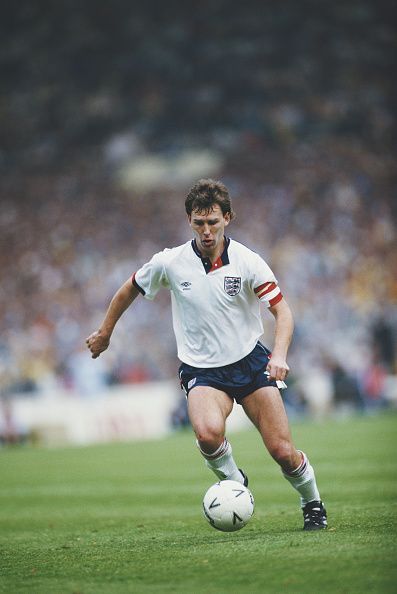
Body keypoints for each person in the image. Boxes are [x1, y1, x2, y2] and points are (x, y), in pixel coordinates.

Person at [86, 179, 327, 531]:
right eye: (199, 223)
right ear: (189, 221)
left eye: (213, 222)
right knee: (207, 434)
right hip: (202, 369)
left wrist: (279, 354)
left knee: (282, 452)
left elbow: (283, 312)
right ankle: (234, 481)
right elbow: (129, 288)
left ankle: (312, 502)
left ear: (227, 218)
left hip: (251, 362)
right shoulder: (170, 262)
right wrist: (106, 332)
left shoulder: (247, 261)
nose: (206, 230)